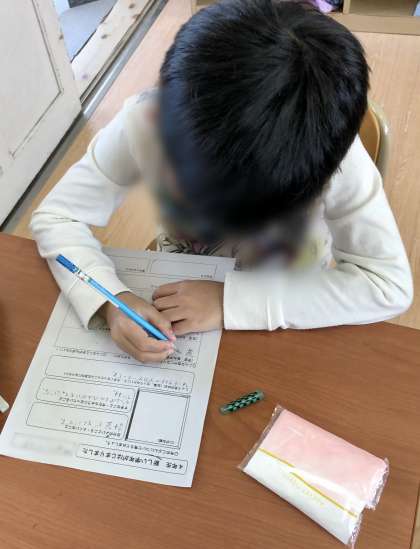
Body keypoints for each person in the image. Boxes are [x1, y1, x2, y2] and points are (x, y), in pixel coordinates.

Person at [31, 0, 413, 363]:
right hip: (175, 297)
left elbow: (387, 286)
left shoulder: (334, 155)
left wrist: (228, 301)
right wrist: (111, 301)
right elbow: (58, 217)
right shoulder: (146, 120)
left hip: (291, 301)